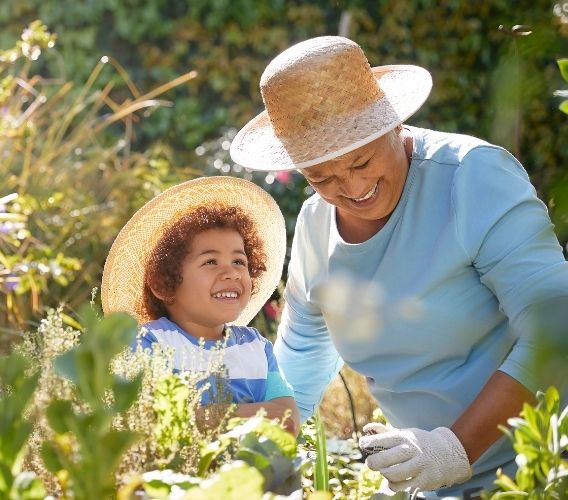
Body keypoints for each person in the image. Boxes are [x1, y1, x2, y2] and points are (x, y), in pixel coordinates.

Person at [228, 35, 568, 497]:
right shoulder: (314, 224)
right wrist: (256, 457)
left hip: (542, 470)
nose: (351, 187)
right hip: (429, 484)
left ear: (391, 122)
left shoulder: (471, 178)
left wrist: (454, 450)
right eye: (321, 177)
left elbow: (555, 328)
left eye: (362, 160)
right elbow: (304, 355)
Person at [101, 176, 300, 435]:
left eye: (239, 262)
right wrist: (259, 414)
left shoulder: (256, 347)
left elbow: (288, 420)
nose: (231, 273)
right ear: (164, 284)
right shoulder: (149, 343)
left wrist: (205, 416)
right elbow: (155, 421)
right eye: (210, 262)